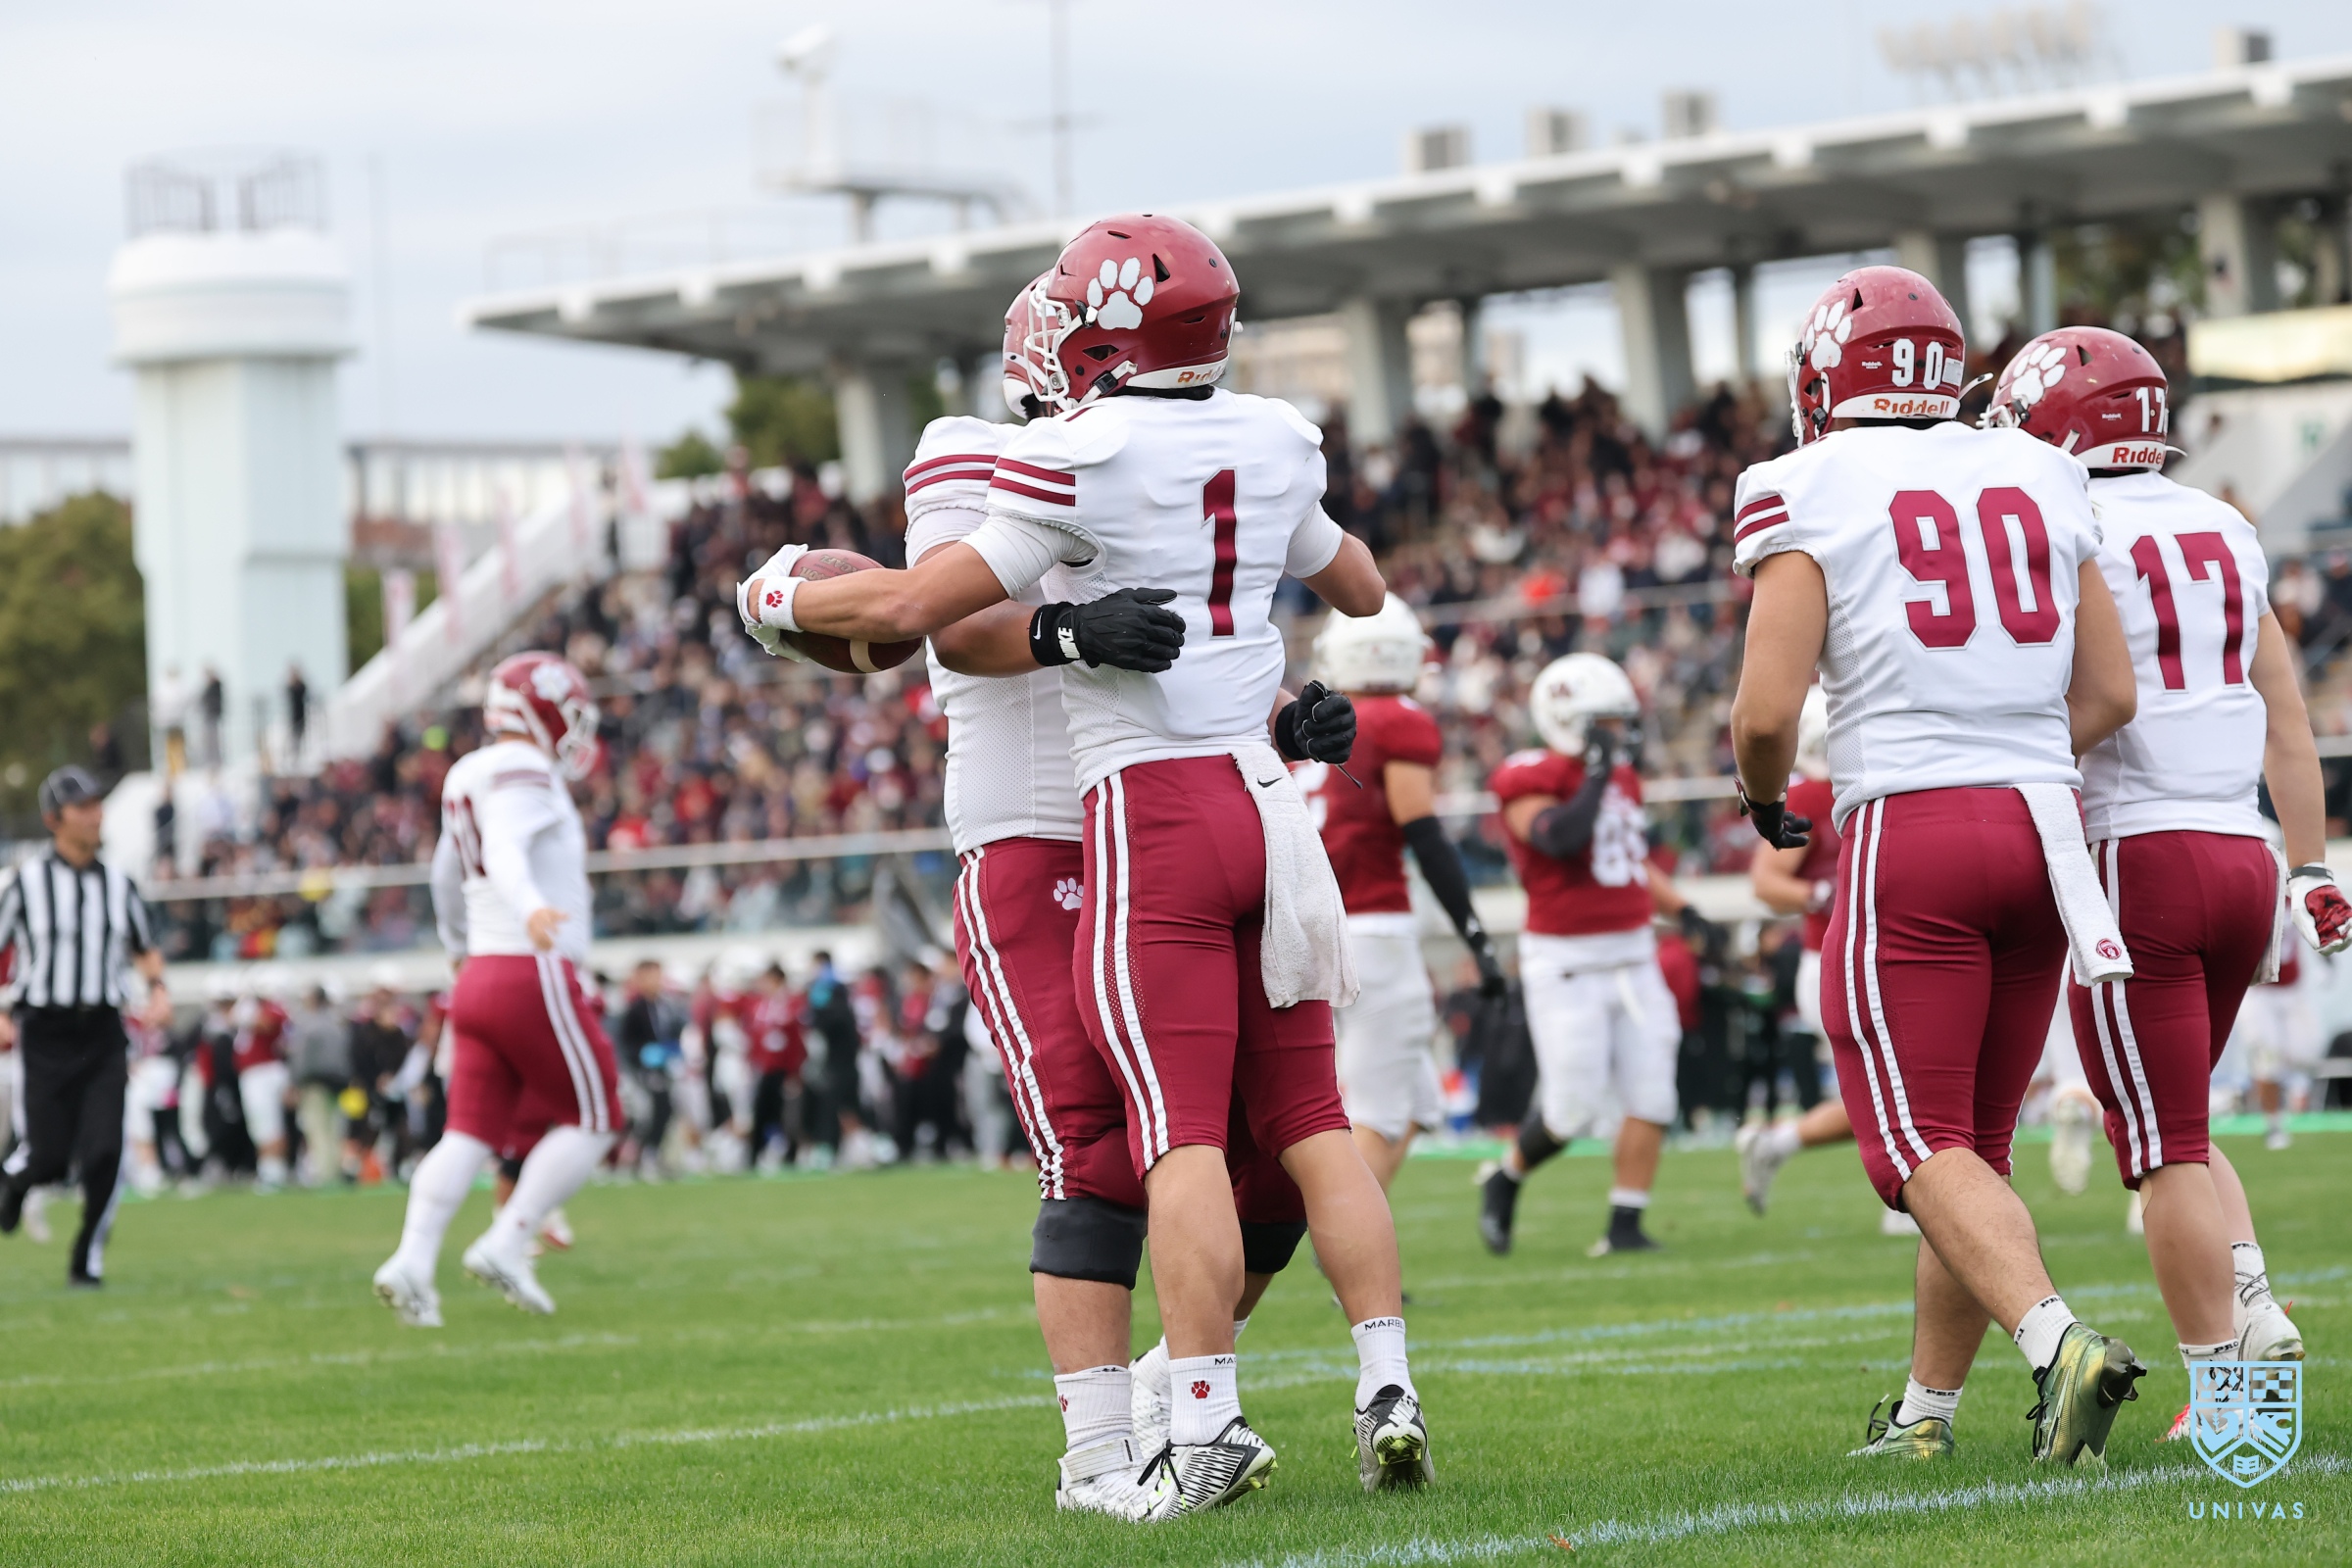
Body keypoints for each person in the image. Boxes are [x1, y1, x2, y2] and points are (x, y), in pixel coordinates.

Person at [738, 216, 1423, 1513]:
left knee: (1268, 1157)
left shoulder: (1144, 450)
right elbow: (952, 628)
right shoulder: (992, 449)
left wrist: (1284, 721)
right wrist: (782, 597)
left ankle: (1177, 1390)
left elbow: (1190, 651)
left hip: (1164, 813)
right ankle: (1100, 1456)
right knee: (1105, 1145)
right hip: (1037, 830)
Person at [1728, 266, 2145, 1465]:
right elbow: (2109, 692)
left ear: (1826, 381)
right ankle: (1926, 1415)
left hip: (1912, 826)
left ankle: (2058, 1341)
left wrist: (1764, 796)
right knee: (1973, 1144)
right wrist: (2010, 756)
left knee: (1913, 1148)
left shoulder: (1804, 481)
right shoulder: (2041, 467)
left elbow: (1767, 712)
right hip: (2045, 827)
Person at [1984, 326, 2348, 1423]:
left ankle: (2226, 1396)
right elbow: (2287, 716)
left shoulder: (2064, 522)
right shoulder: (2225, 523)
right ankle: (2254, 1300)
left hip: (2136, 850)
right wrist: (2310, 863)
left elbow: (2059, 693)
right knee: (2173, 1124)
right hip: (2241, 853)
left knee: (2163, 1146)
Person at [373, 652, 620, 1325]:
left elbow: (444, 877)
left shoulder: (468, 771)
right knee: (599, 1116)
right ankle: (509, 1241)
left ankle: (412, 1261)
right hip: (528, 964)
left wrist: (459, 951)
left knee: (468, 1132)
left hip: (480, 970)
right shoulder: (524, 768)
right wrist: (532, 906)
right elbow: (506, 849)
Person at [1476, 654, 1712, 1257]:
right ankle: (1506, 1176)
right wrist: (1598, 775)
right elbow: (1559, 837)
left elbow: (1626, 861)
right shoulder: (1529, 775)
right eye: (1606, 721)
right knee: (1571, 1110)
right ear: (1568, 720)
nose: (1618, 732)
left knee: (1654, 1096)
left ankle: (1624, 1224)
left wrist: (1681, 907)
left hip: (1634, 955)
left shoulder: (1620, 777)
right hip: (1567, 961)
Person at [1300, 595, 1507, 1189]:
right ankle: (1339, 1237)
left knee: (1417, 1104)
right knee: (1378, 1115)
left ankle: (1357, 1236)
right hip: (1374, 929)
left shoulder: (1308, 721)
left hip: (1313, 925)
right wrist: (1475, 935)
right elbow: (1424, 833)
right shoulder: (1397, 719)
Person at [1735, 689, 1920, 1236]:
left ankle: (1778, 1143)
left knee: (1895, 1088)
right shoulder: (1817, 793)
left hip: (1870, 954)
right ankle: (1915, 1201)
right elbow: (1766, 881)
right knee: (1906, 1085)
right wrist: (1823, 895)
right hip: (1840, 958)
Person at [0, 765, 166, 1287]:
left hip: (102, 1032)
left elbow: (145, 947)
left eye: (98, 804)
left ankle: (87, 1256)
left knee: (105, 1152)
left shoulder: (119, 884)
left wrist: (159, 990)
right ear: (54, 819)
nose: (96, 815)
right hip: (44, 1031)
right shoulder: (25, 882)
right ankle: (14, 1184)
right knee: (48, 1157)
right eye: (84, 807)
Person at [612, 958, 681, 1176]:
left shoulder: (665, 1006)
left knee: (665, 1111)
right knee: (642, 1117)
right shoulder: (634, 1009)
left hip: (663, 1069)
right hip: (639, 1072)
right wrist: (642, 1056)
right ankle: (627, 1160)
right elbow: (626, 1043)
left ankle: (652, 1155)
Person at [230, 972, 295, 1191]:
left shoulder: (275, 1009)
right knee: (260, 1126)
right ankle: (269, 1169)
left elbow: (265, 1024)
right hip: (254, 1074)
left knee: (270, 1124)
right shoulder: (255, 1008)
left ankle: (273, 1172)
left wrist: (247, 1010)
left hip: (265, 1072)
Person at [286, 985, 351, 1187]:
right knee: (334, 1129)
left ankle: (325, 1174)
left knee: (317, 1129)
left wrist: (294, 1084)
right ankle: (334, 1171)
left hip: (314, 1083)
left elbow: (302, 1058)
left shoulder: (308, 1025)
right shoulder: (337, 1023)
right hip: (337, 1084)